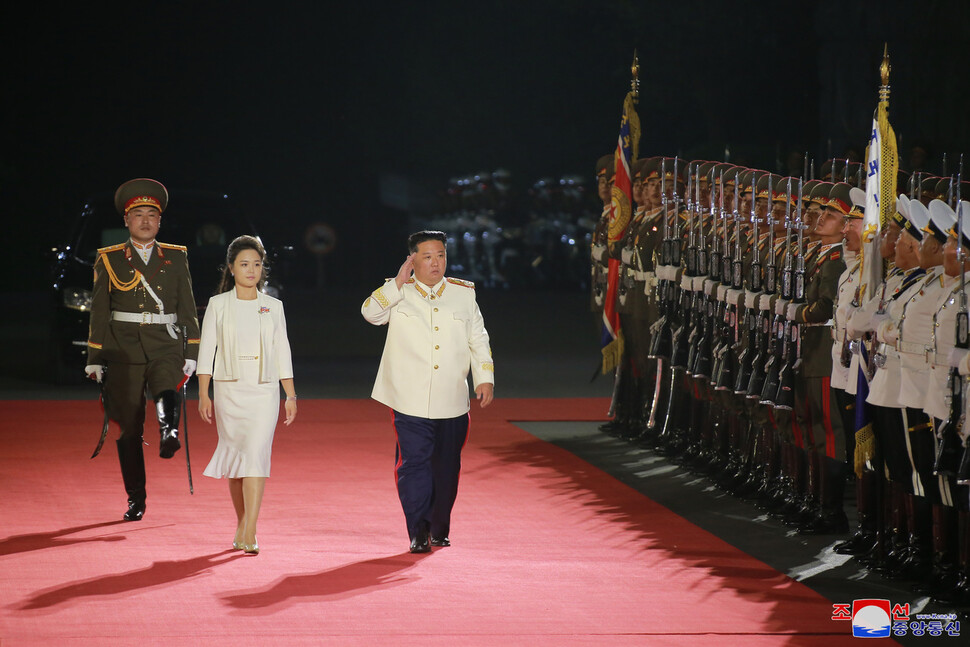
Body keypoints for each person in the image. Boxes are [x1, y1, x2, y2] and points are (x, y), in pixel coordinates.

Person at [361, 230, 495, 553]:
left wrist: (484, 376)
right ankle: (417, 529)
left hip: (451, 397)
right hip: (408, 399)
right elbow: (369, 313)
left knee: (447, 468)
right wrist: (396, 283)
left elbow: (478, 338)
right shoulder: (398, 293)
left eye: (441, 256)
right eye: (427, 257)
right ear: (413, 260)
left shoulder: (463, 294)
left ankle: (439, 527)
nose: (436, 263)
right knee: (414, 464)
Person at [85, 178, 201, 522]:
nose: (146, 220)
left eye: (152, 214)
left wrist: (192, 350)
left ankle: (170, 432)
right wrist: (95, 357)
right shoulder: (109, 259)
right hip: (124, 348)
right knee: (130, 428)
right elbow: (99, 310)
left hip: (165, 340)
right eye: (139, 215)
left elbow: (188, 306)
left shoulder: (176, 257)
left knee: (167, 382)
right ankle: (136, 498)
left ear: (160, 220)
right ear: (126, 220)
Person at [196, 235, 296, 555]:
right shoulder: (218, 304)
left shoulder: (273, 306)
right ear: (231, 268)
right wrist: (203, 392)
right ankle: (243, 522)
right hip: (229, 389)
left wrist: (290, 395)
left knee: (255, 454)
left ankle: (250, 529)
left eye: (256, 264)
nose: (251, 270)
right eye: (244, 264)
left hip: (264, 390)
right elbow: (206, 348)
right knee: (238, 459)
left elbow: (283, 350)